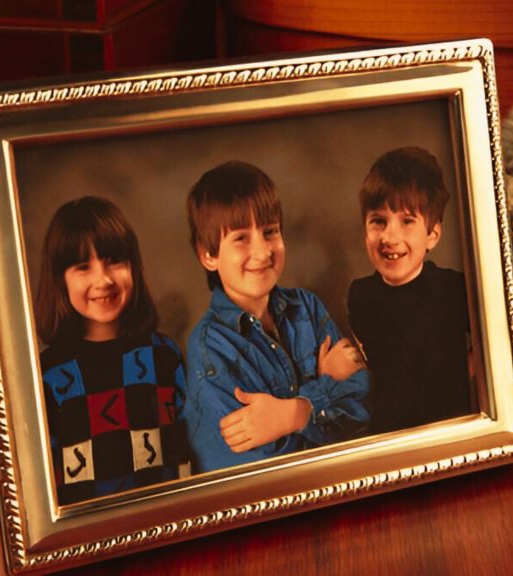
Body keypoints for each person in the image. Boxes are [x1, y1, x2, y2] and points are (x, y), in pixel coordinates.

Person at [182, 160, 369, 473]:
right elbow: (264, 468)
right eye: (241, 238)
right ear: (208, 254)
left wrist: (293, 414)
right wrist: (325, 389)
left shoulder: (307, 308)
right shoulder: (211, 351)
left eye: (270, 232)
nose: (262, 251)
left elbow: (362, 407)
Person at [34, 196, 189, 505]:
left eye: (114, 261)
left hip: (166, 518)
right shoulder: (47, 374)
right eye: (82, 267)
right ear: (59, 281)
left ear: (133, 266)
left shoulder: (163, 355)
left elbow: (189, 446)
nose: (103, 280)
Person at [347, 147, 475, 435]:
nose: (390, 237)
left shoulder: (455, 289)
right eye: (379, 221)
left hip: (449, 431)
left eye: (407, 221)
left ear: (432, 235)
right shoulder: (360, 295)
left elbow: (489, 346)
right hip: (385, 434)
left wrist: (455, 377)